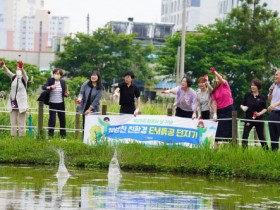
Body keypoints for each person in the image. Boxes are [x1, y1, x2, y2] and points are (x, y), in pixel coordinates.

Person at [1, 61, 29, 137]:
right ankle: (13, 138)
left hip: (21, 104)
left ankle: (22, 138)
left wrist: (21, 68)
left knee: (21, 122)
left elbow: (24, 74)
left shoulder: (24, 79)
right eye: (17, 69)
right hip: (13, 103)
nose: (18, 70)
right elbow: (7, 72)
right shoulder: (13, 77)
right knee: (13, 122)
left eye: (19, 69)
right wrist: (3, 66)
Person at [240, 79, 268, 149]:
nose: (252, 87)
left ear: (258, 86)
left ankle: (267, 152)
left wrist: (259, 113)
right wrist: (243, 107)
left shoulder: (262, 97)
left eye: (254, 85)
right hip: (248, 119)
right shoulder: (247, 95)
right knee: (245, 136)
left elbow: (265, 108)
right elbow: (242, 105)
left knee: (261, 136)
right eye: (252, 85)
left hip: (259, 119)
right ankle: (244, 152)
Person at [210, 67, 233, 148]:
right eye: (216, 78)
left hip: (228, 108)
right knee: (218, 128)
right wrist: (215, 113)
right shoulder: (215, 90)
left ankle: (230, 147)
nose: (217, 79)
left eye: (219, 77)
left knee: (229, 128)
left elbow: (222, 80)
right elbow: (214, 102)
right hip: (220, 110)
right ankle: (216, 147)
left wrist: (215, 72)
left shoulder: (225, 84)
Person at [42, 68, 68, 139]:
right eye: (55, 73)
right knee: (52, 120)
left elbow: (64, 92)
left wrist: (66, 93)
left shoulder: (63, 82)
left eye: (58, 74)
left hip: (61, 103)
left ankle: (63, 137)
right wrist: (50, 87)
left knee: (62, 120)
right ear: (53, 74)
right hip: (52, 103)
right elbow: (43, 87)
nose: (56, 75)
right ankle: (50, 136)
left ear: (61, 75)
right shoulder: (50, 80)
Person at [267, 69, 280, 151]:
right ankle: (273, 153)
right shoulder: (274, 86)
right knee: (273, 134)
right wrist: (270, 92)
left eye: (277, 75)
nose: (275, 76)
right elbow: (269, 100)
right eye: (275, 75)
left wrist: (274, 105)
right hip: (273, 113)